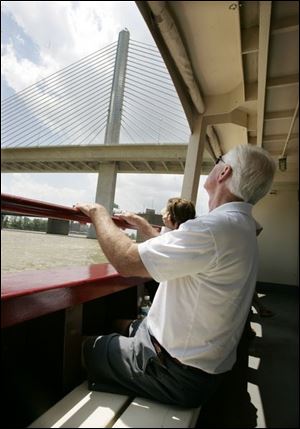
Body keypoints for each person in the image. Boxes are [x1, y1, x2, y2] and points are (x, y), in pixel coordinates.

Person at [75, 143, 276, 408]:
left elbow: (126, 261)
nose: (214, 165)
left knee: (83, 346)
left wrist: (99, 213)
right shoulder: (244, 228)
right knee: (117, 322)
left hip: (174, 372)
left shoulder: (215, 228)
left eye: (218, 160)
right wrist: (145, 227)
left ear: (224, 171)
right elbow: (183, 249)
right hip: (191, 360)